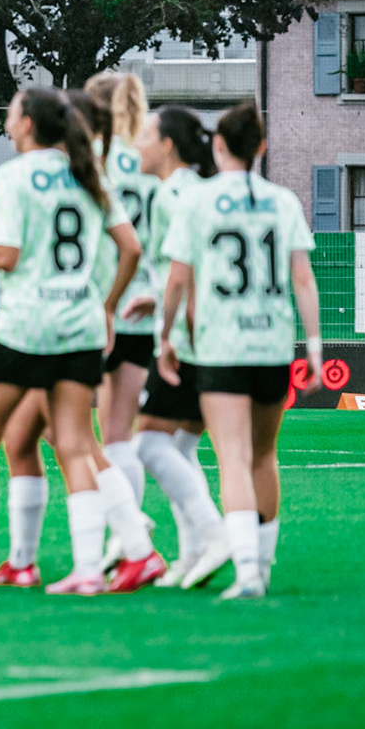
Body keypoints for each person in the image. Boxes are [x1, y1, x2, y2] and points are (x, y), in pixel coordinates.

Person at [0, 86, 162, 596]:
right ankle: (89, 569)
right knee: (75, 444)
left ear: (28, 122)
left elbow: (8, 257)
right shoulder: (88, 173)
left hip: (27, 326)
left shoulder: (15, 175)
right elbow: (131, 247)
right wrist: (105, 305)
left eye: (12, 114)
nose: (7, 122)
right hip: (79, 325)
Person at [158, 101, 320, 599]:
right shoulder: (283, 200)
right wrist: (313, 345)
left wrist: (166, 338)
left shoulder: (198, 200)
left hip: (221, 344)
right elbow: (302, 278)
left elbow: (178, 279)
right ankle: (262, 568)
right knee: (264, 456)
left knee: (231, 457)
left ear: (218, 145)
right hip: (272, 342)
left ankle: (247, 571)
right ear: (262, 148)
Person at [124, 106, 229, 588]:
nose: (137, 143)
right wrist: (156, 294)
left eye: (145, 135)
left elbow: (188, 271)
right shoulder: (202, 190)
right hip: (215, 332)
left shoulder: (170, 194)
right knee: (181, 447)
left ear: (167, 145)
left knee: (147, 441)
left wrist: (171, 334)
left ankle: (215, 535)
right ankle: (192, 555)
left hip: (189, 339)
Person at [86, 72, 157, 520]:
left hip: (97, 303)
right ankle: (128, 534)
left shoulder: (93, 159)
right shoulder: (149, 161)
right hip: (143, 306)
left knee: (72, 429)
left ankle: (126, 528)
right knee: (118, 433)